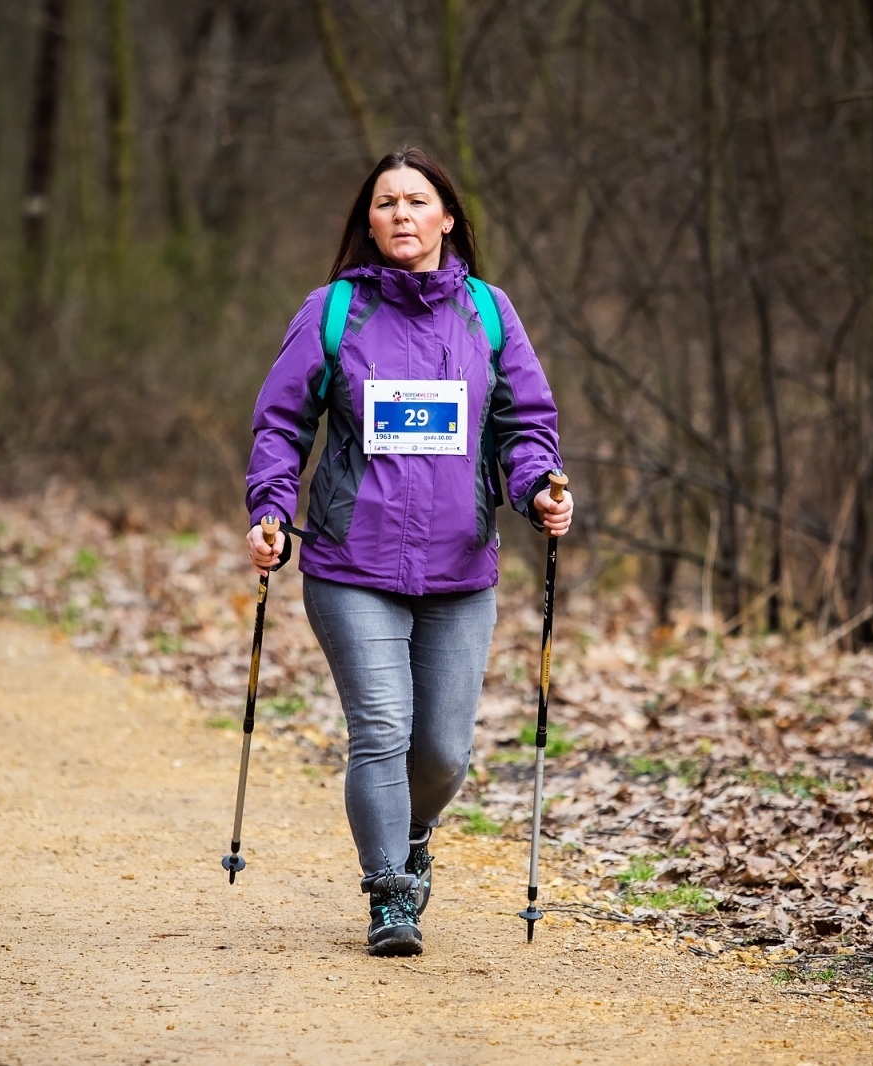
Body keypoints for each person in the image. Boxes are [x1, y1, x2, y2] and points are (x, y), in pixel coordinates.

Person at [245, 147, 572, 956]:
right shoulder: (332, 311)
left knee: (443, 751)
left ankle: (416, 830)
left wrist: (538, 488)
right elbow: (283, 423)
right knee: (382, 728)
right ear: (369, 222)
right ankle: (391, 892)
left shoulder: (489, 313)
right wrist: (271, 509)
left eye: (416, 201)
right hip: (352, 565)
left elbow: (524, 424)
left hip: (461, 569)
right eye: (385, 203)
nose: (400, 215)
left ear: (446, 218)